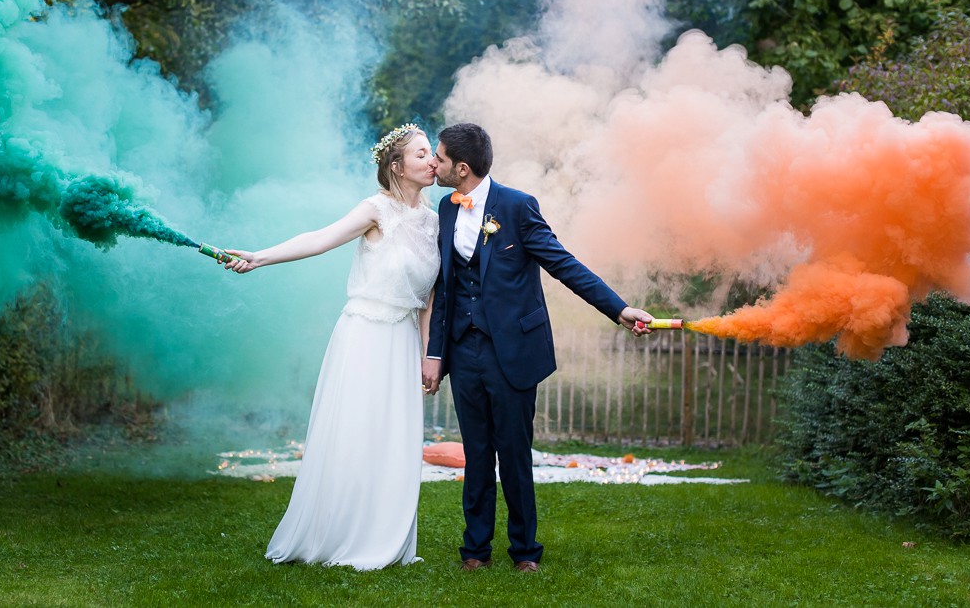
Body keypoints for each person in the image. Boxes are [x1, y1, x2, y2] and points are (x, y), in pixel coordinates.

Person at [421, 122, 653, 573]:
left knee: (513, 454)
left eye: (440, 157)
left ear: (462, 168)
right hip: (463, 352)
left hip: (512, 353)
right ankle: (474, 551)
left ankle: (525, 552)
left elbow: (564, 264)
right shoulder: (445, 211)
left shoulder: (518, 206)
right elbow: (445, 290)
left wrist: (620, 309)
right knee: (476, 454)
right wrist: (435, 353)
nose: (434, 162)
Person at [222, 124, 441, 570]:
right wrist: (259, 257)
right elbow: (319, 240)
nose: (432, 161)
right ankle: (338, 535)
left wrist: (427, 354)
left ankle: (385, 537)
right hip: (364, 334)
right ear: (397, 166)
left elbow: (429, 300)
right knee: (355, 432)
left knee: (394, 439)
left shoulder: (434, 220)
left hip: (401, 340)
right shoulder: (376, 209)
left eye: (431, 154)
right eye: (421, 155)